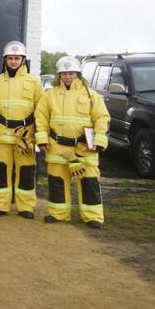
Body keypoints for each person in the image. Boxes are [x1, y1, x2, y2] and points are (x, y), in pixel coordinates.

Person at [35, 55, 110, 228]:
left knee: (89, 181)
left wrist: (99, 139)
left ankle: (93, 216)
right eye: (64, 73)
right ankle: (58, 213)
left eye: (71, 73)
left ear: (78, 74)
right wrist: (42, 139)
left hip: (84, 148)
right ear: (59, 76)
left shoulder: (92, 95)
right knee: (57, 181)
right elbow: (41, 118)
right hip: (57, 146)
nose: (68, 76)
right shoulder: (49, 95)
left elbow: (101, 117)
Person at [0, 41, 43, 219]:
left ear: (23, 60)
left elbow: (41, 111)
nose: (13, 61)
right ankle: (0, 206)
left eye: (17, 58)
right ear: (5, 60)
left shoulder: (34, 82)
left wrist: (39, 137)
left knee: (26, 171)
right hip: (1, 134)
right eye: (10, 58)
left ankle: (26, 207)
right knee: (0, 171)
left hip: (24, 137)